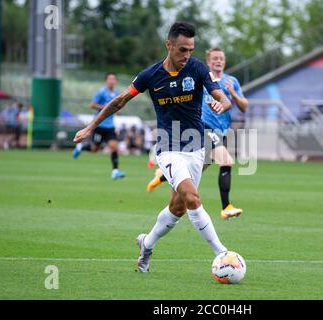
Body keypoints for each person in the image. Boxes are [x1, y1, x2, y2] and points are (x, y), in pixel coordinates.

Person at [73, 22, 232, 273]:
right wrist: (92, 126)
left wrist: (222, 103)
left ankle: (146, 244)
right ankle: (223, 253)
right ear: (168, 45)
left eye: (191, 49)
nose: (187, 55)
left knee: (178, 207)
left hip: (197, 146)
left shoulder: (198, 69)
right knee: (192, 197)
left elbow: (220, 95)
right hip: (168, 147)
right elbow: (120, 101)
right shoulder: (150, 75)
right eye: (182, 49)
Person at [146, 47, 248, 220]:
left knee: (197, 170)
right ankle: (226, 207)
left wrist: (232, 94)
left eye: (221, 58)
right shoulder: (200, 76)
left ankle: (162, 176)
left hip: (220, 131)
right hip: (203, 127)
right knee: (226, 161)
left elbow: (244, 107)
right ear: (208, 61)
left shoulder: (232, 81)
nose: (218, 61)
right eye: (215, 58)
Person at [73, 72, 126, 180]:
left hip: (110, 126)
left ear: (115, 81)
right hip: (99, 125)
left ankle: (115, 171)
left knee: (114, 147)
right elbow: (92, 104)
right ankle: (81, 147)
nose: (111, 81)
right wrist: (105, 108)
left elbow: (115, 106)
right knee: (95, 148)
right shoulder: (101, 92)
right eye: (110, 79)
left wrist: (116, 111)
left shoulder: (115, 93)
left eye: (113, 79)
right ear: (106, 81)